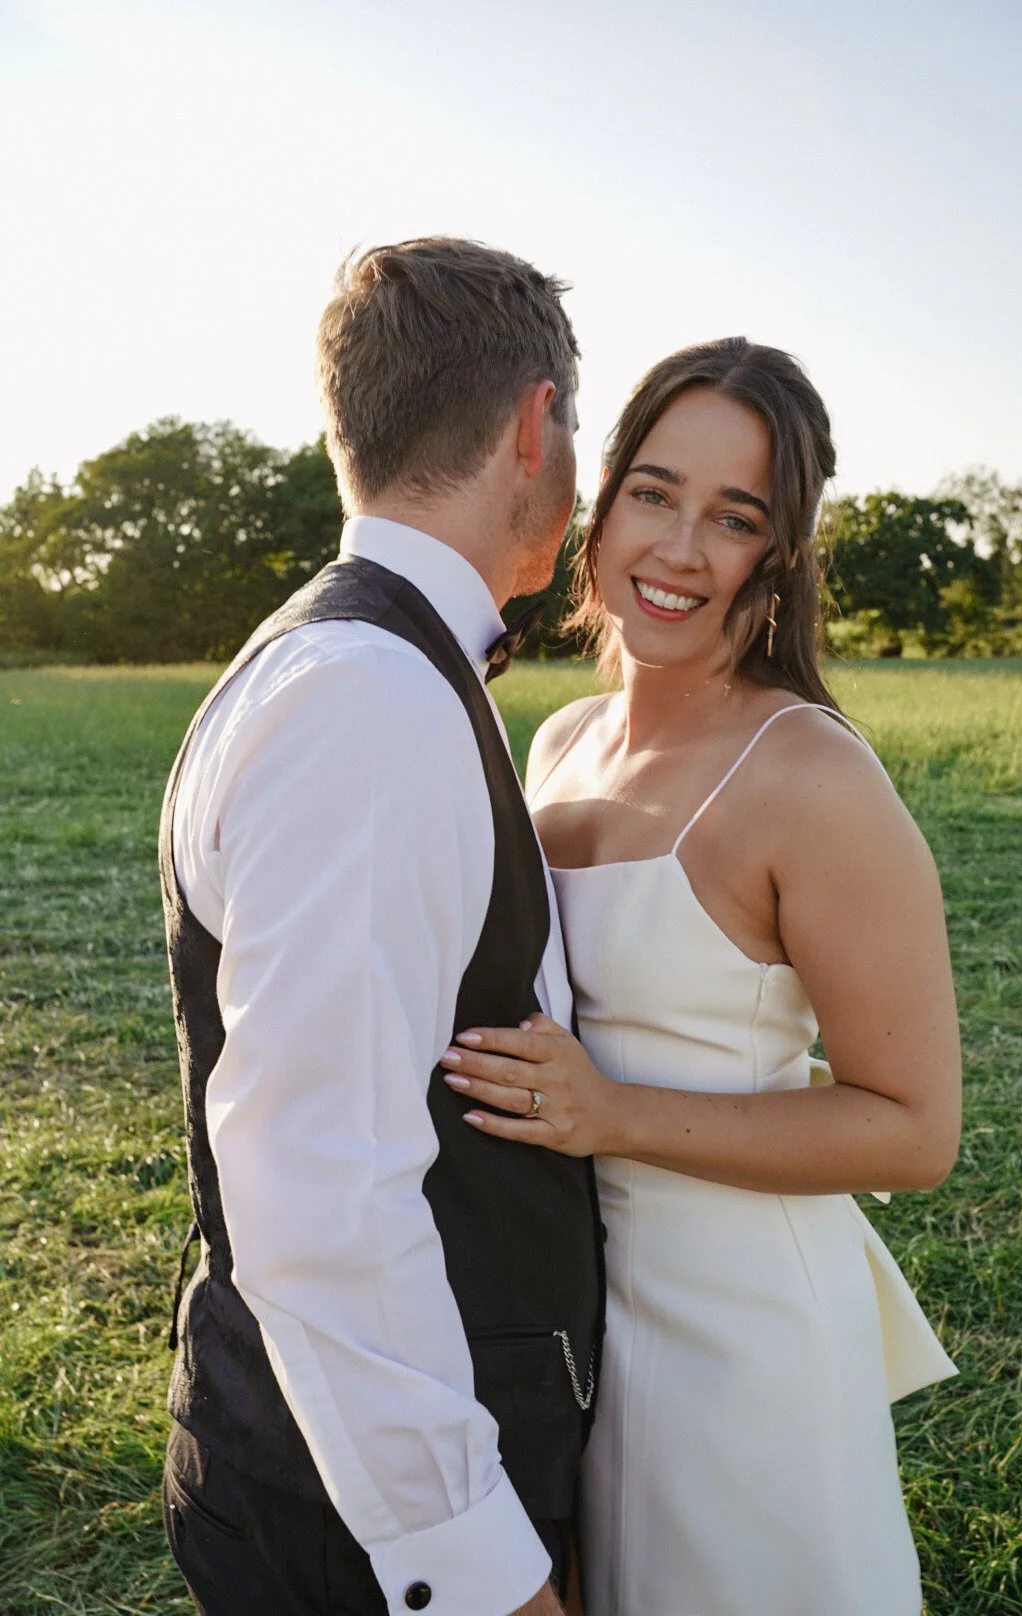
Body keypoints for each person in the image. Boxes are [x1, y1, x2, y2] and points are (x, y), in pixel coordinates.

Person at [436, 340, 962, 1616]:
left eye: (734, 518)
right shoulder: (557, 738)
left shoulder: (812, 780)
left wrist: (610, 1113)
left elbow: (914, 1128)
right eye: (655, 492)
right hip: (575, 1319)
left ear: (779, 552)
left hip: (744, 1334)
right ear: (602, 500)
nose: (679, 548)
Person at [158, 238, 605, 1616]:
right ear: (538, 425)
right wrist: (471, 1569)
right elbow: (322, 1192)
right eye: (577, 424)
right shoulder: (368, 696)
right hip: (360, 1524)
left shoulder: (368, 659)